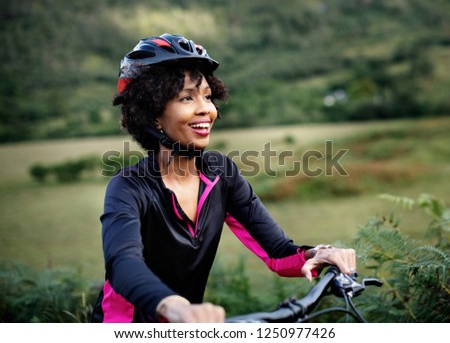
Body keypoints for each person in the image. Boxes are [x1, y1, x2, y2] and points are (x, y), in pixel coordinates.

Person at [91, 33, 356, 323]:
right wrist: (174, 306)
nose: (206, 108)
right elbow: (123, 264)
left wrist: (319, 254)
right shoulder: (129, 186)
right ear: (153, 114)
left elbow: (278, 253)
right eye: (186, 97)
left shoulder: (221, 173)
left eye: (207, 96)